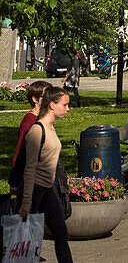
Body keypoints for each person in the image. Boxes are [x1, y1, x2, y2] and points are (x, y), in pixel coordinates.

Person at [17, 85, 74, 263]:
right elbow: (29, 168)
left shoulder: (51, 128)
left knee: (61, 232)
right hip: (34, 190)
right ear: (51, 105)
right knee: (26, 238)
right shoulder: (37, 130)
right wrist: (26, 201)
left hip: (47, 188)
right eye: (64, 105)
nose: (67, 108)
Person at [13, 79, 51, 164]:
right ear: (35, 99)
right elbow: (21, 147)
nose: (49, 99)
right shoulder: (30, 120)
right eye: (45, 96)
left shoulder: (43, 118)